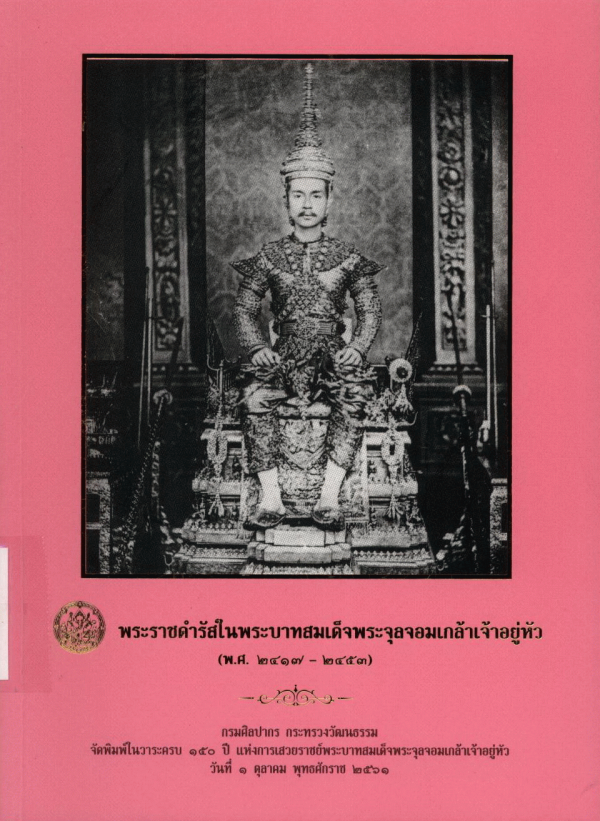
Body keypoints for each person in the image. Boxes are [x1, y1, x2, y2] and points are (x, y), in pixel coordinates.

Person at [232, 63, 382, 529]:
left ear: (330, 199)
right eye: (298, 195)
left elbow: (370, 310)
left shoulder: (347, 257)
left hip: (333, 355)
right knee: (254, 397)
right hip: (284, 355)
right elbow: (244, 308)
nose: (307, 204)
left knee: (354, 396)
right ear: (286, 198)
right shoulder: (270, 255)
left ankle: (330, 498)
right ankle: (271, 499)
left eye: (316, 195)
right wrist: (256, 348)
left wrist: (358, 348)